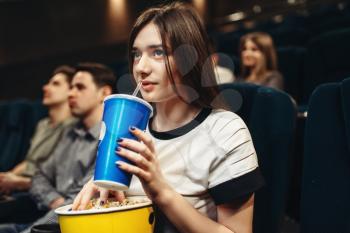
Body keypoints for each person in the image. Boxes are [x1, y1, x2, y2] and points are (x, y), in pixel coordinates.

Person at [73, 3, 264, 233]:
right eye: (136, 54)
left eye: (158, 52)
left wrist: (161, 192)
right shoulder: (132, 132)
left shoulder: (225, 131)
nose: (141, 67)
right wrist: (109, 195)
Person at [0, 62, 116, 233]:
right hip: (45, 219)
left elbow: (81, 201)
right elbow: (40, 177)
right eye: (71, 88)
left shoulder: (110, 139)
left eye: (80, 87)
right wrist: (55, 201)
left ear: (104, 93)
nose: (71, 93)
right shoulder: (70, 134)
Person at [0, 65, 76, 195]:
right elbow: (30, 161)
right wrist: (7, 177)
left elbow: (57, 176)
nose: (45, 88)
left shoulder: (74, 127)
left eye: (55, 84)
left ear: (71, 91)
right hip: (21, 183)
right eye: (48, 83)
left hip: (40, 189)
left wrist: (17, 181)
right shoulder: (43, 124)